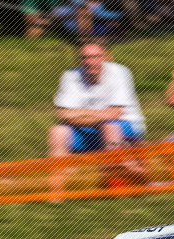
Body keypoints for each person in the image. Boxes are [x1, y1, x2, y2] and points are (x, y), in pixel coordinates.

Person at [47, 41, 146, 198]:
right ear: (79, 59)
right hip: (89, 130)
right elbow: (62, 115)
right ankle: (56, 191)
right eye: (85, 57)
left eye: (95, 56)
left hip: (125, 126)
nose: (90, 61)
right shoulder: (70, 75)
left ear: (106, 57)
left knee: (108, 127)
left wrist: (79, 114)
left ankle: (116, 186)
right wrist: (100, 115)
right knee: (57, 131)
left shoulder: (119, 72)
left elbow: (116, 114)